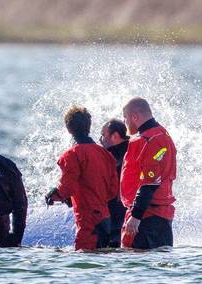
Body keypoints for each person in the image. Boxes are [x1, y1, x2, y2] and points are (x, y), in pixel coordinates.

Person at [44, 106, 119, 250]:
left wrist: (53, 195)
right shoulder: (105, 154)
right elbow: (113, 191)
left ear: (68, 129)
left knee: (83, 258)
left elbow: (66, 187)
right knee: (102, 258)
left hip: (87, 220)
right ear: (89, 127)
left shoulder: (72, 154)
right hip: (105, 218)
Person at [119, 97, 177, 249]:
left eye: (125, 118)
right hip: (156, 216)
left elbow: (150, 183)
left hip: (148, 217)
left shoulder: (150, 139)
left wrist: (136, 216)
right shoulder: (162, 134)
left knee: (136, 261)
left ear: (135, 117)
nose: (125, 123)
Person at [100, 118, 129, 231]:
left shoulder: (114, 157)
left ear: (115, 136)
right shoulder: (133, 148)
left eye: (103, 135)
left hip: (119, 216)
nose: (100, 139)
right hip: (129, 215)